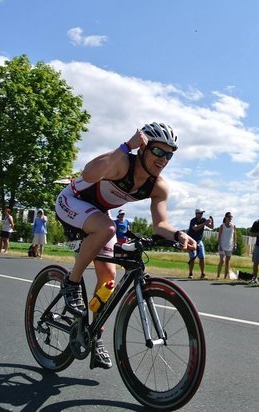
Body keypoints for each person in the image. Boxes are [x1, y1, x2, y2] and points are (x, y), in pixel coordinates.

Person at [55, 122, 196, 369]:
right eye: (158, 152)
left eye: (169, 154)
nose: (164, 159)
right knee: (107, 228)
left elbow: (160, 224)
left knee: (109, 279)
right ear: (143, 148)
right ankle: (72, 282)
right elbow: (88, 175)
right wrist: (126, 146)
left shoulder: (158, 186)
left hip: (97, 215)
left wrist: (178, 235)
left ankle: (94, 335)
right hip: (72, 201)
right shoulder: (122, 162)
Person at [187, 209, 214, 279]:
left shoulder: (203, 220)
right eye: (200, 213)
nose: (202, 214)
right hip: (191, 240)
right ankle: (190, 273)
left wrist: (212, 220)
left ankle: (202, 273)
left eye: (202, 213)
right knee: (192, 257)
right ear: (196, 213)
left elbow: (211, 227)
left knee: (202, 257)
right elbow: (195, 228)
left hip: (199, 240)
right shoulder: (193, 220)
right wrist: (205, 223)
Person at [216, 212, 236, 279]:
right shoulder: (222, 226)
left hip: (230, 246)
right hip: (222, 245)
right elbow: (219, 236)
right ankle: (218, 275)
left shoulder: (233, 226)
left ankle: (225, 276)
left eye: (231, 217)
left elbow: (234, 236)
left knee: (228, 262)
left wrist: (235, 244)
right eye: (229, 216)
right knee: (222, 261)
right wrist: (220, 245)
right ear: (226, 217)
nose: (230, 218)